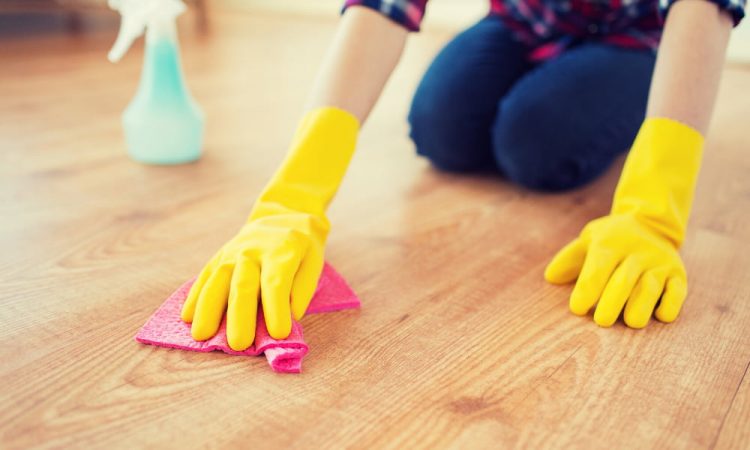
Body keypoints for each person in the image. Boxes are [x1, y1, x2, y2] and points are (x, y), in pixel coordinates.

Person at [180, 0, 745, 351]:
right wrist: (289, 200)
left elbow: (704, 5)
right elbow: (382, 6)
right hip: (525, 19)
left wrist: (652, 213)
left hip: (636, 35)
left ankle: (620, 94)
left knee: (534, 147)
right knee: (440, 131)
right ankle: (551, 86)